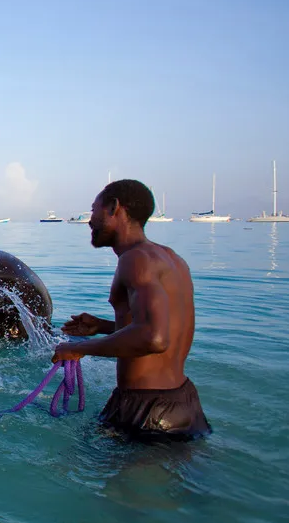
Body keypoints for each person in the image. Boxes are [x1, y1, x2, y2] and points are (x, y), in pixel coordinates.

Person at [53, 179, 211, 440]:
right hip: (183, 400)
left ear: (115, 208)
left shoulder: (135, 260)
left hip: (147, 407)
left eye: (94, 211)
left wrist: (77, 349)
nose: (90, 221)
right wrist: (102, 326)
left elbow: (154, 338)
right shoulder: (172, 258)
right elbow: (165, 328)